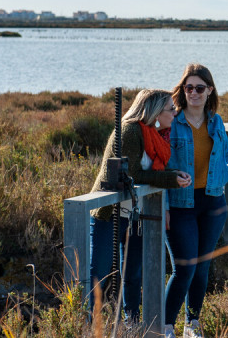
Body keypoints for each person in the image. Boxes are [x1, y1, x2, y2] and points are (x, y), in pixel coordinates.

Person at [88, 89, 191, 322]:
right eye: (170, 108)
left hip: (134, 214)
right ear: (155, 111)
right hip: (109, 213)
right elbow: (132, 173)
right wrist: (170, 179)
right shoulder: (130, 130)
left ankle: (131, 324)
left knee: (133, 273)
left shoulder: (153, 133)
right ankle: (87, 326)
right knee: (99, 276)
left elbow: (152, 170)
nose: (175, 113)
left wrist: (172, 174)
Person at [163, 63, 228, 338]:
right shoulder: (173, 122)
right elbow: (161, 165)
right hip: (181, 205)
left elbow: (227, 153)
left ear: (210, 90)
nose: (193, 92)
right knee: (185, 267)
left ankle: (191, 324)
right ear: (183, 90)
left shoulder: (216, 122)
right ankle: (167, 327)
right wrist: (166, 204)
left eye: (199, 88)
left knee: (203, 266)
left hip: (212, 202)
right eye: (189, 87)